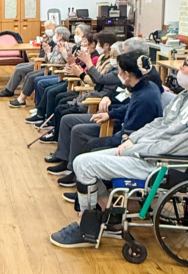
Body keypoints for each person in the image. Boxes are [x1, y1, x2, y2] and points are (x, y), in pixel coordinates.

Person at [49, 60, 188, 250]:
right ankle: (111, 218)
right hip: (145, 152)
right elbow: (159, 124)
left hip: (159, 164)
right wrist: (133, 139)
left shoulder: (150, 95)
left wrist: (134, 148)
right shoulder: (183, 97)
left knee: (84, 165)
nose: (180, 67)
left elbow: (173, 146)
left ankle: (86, 227)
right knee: (82, 162)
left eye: (185, 64)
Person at [48, 51, 163, 194]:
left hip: (131, 141)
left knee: (92, 144)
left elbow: (130, 132)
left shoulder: (144, 98)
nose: (117, 73)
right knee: (75, 126)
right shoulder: (143, 87)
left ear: (127, 74)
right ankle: (77, 176)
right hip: (120, 124)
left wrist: (111, 135)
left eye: (119, 70)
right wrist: (109, 114)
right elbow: (128, 107)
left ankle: (87, 190)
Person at [9, 26, 71, 108]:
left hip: (56, 71)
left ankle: (23, 100)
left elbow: (57, 62)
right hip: (49, 67)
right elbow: (49, 59)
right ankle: (22, 99)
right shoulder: (57, 45)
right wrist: (47, 52)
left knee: (33, 78)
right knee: (30, 75)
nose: (54, 35)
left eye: (55, 34)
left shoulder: (65, 46)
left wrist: (48, 53)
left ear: (60, 35)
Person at [0, 20, 56, 98]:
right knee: (19, 66)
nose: (46, 29)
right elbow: (42, 51)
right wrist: (43, 42)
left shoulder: (54, 40)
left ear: (54, 27)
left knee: (19, 70)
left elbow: (50, 55)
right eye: (45, 27)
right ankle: (9, 88)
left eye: (48, 27)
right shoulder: (48, 38)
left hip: (42, 63)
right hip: (39, 60)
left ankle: (9, 90)